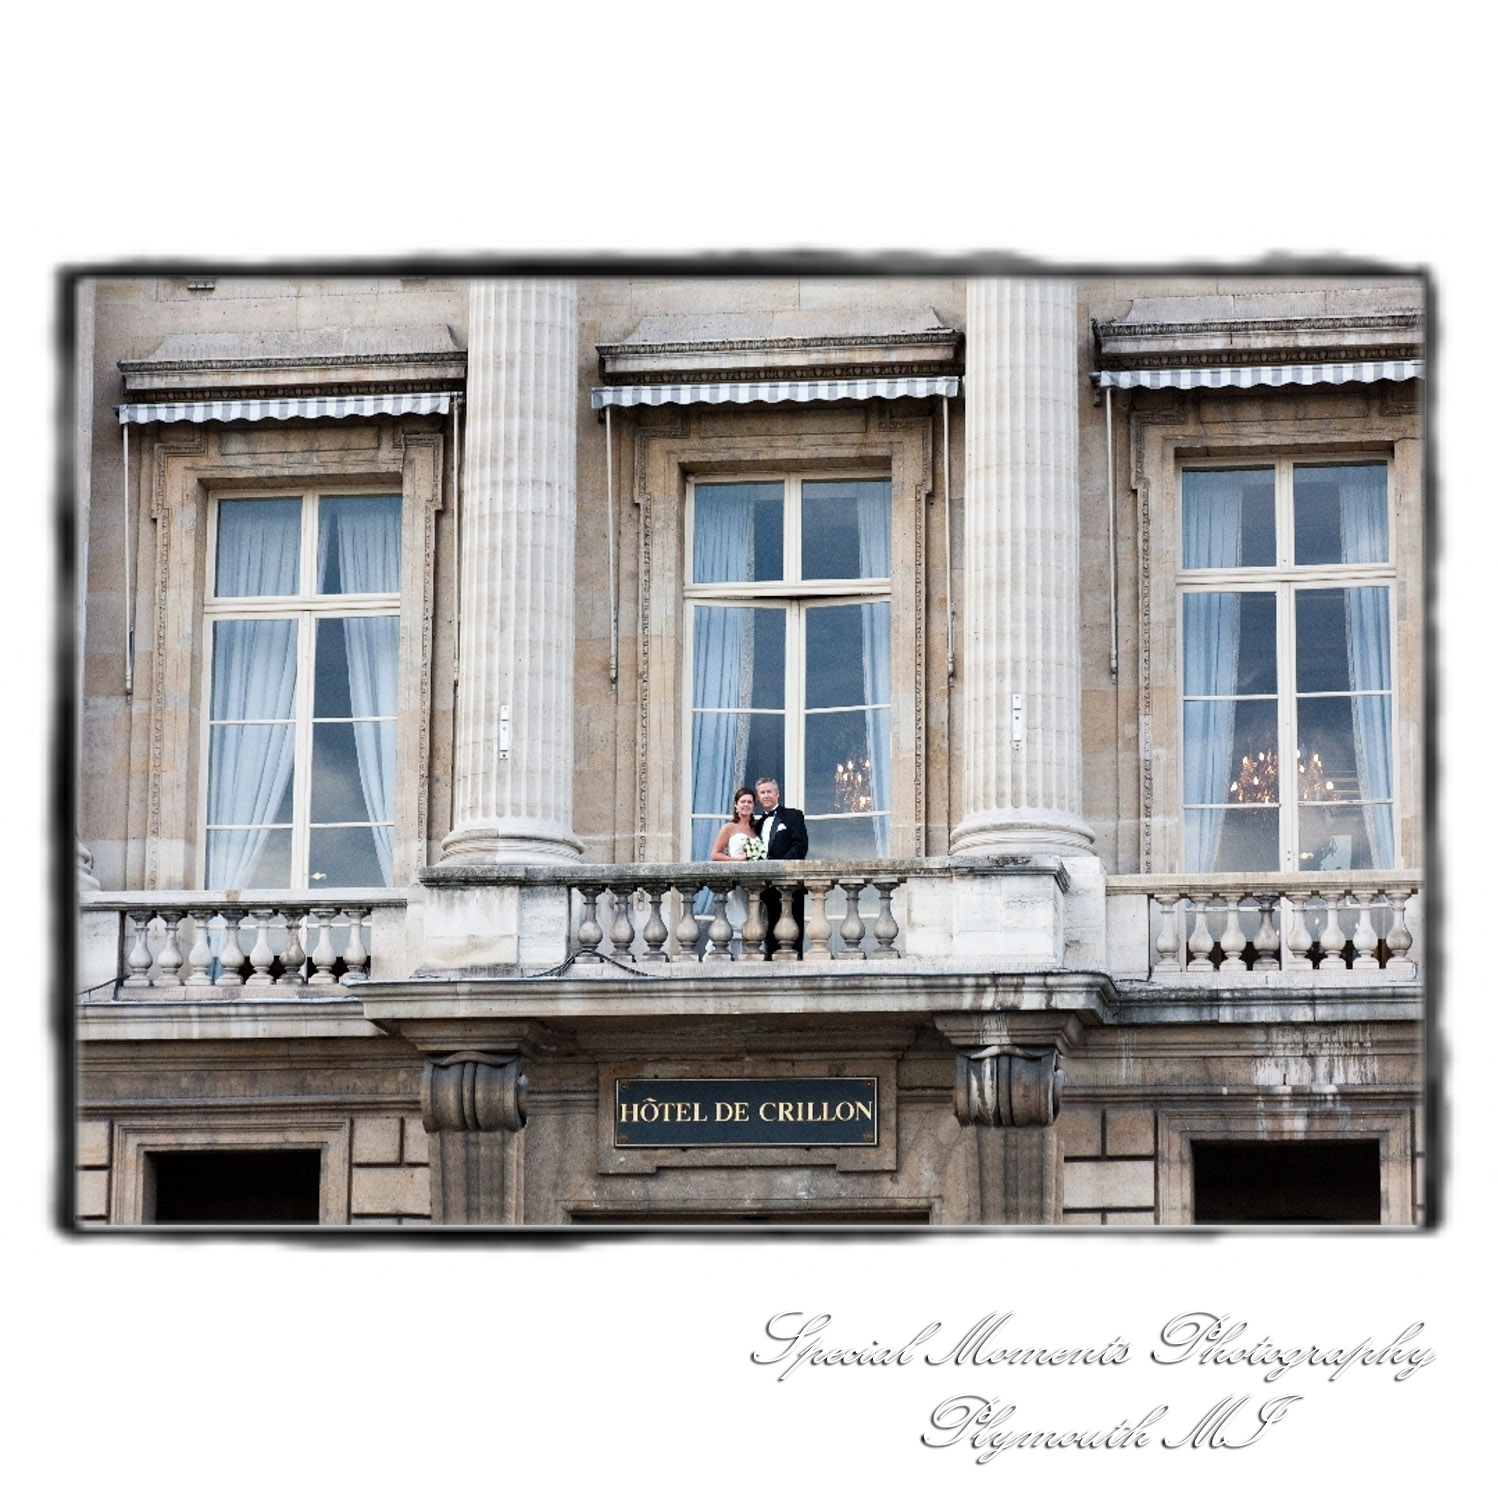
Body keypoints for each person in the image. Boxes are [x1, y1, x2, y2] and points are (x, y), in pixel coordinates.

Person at [754, 776, 808, 956]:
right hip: (767, 886)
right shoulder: (757, 824)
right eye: (762, 792)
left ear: (777, 794)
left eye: (769, 791)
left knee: (794, 928)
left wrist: (780, 868)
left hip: (790, 883)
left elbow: (800, 846)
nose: (766, 795)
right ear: (758, 797)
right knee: (769, 926)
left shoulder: (793, 815)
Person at [706, 786, 759, 935]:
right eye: (743, 801)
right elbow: (715, 854)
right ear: (736, 805)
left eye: (749, 802)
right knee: (738, 921)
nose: (746, 805)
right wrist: (737, 861)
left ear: (754, 806)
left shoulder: (755, 830)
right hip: (736, 881)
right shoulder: (729, 827)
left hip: (753, 883)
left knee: (753, 924)